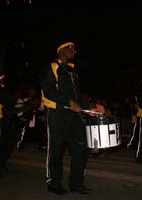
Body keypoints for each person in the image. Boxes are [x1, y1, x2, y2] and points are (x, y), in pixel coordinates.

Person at [40, 41, 104, 195]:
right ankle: (54, 182)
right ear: (62, 50)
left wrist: (90, 108)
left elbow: (78, 96)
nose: (75, 51)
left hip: (74, 115)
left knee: (81, 149)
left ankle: (77, 184)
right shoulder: (52, 67)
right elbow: (48, 89)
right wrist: (68, 101)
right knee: (56, 149)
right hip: (57, 113)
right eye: (72, 48)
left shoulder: (73, 72)